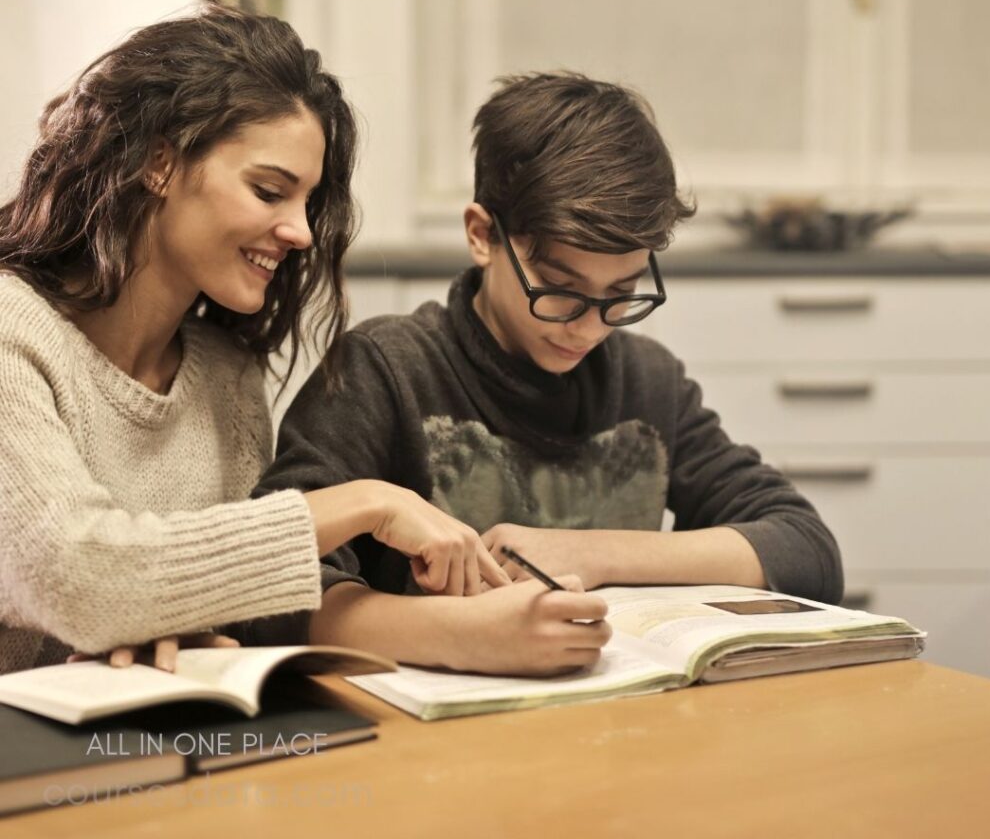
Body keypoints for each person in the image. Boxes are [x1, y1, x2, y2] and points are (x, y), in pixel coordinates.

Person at [257, 72, 844, 673]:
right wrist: (459, 633)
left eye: (621, 293)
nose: (588, 329)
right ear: (482, 235)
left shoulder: (648, 381)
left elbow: (805, 549)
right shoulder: (385, 372)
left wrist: (592, 554)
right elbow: (264, 591)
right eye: (560, 292)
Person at [0, 3, 522, 677]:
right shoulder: (12, 330)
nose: (301, 232)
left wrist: (167, 626)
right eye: (269, 190)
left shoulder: (227, 377)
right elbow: (78, 579)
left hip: (151, 751)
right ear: (159, 161)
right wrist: (371, 501)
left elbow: (220, 607)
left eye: (307, 203)